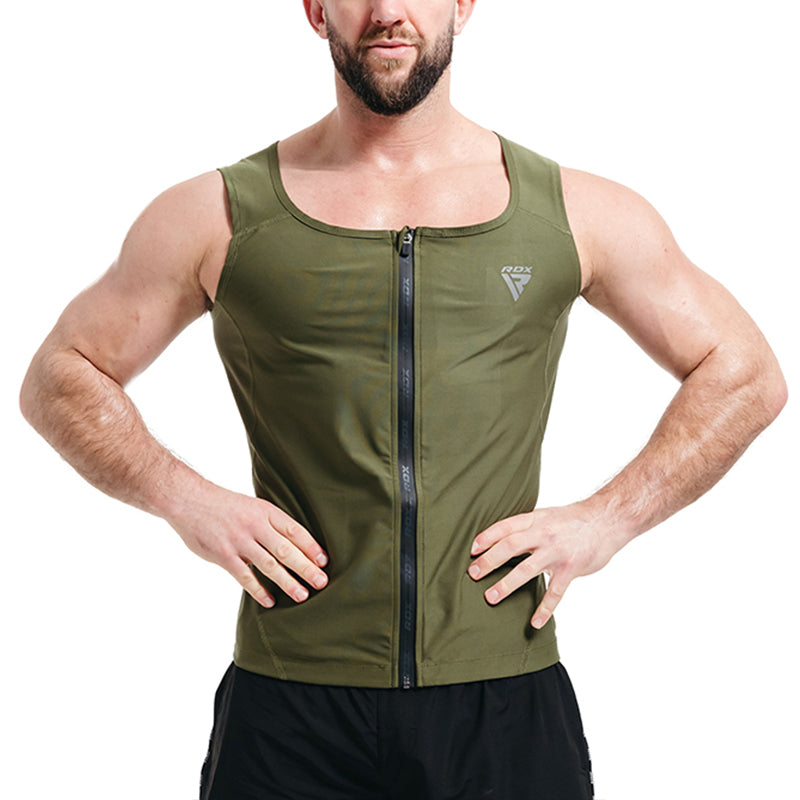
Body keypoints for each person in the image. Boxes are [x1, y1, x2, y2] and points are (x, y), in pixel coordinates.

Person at [19, 1, 787, 798]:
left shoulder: (576, 212)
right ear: (316, 10)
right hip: (290, 706)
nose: (388, 11)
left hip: (503, 701)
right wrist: (187, 501)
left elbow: (744, 374)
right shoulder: (215, 214)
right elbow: (60, 376)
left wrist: (609, 519)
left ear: (463, 3)